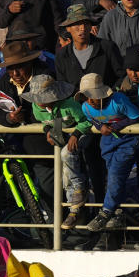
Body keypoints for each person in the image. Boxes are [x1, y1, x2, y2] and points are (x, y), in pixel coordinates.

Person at [22, 75, 92, 230]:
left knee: (66, 154)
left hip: (83, 132)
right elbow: (44, 121)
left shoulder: (70, 104)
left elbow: (86, 120)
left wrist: (75, 134)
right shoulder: (36, 107)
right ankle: (74, 209)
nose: (39, 102)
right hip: (64, 133)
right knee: (64, 166)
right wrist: (48, 130)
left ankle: (78, 191)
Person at [77, 72, 139, 232]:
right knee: (112, 176)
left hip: (128, 140)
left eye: (93, 96)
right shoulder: (86, 107)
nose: (90, 101)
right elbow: (91, 120)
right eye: (87, 97)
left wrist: (116, 127)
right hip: (107, 142)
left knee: (115, 173)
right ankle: (118, 212)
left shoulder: (118, 101)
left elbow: (137, 116)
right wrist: (100, 127)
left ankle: (106, 212)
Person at [54, 4, 124, 88]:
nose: (82, 28)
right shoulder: (62, 55)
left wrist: (109, 94)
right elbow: (62, 86)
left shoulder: (107, 47)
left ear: (91, 26)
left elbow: (122, 77)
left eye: (86, 23)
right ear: (68, 28)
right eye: (77, 24)